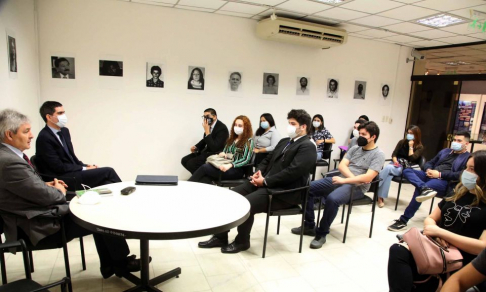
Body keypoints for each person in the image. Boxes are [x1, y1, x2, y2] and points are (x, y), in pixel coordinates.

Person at [0, 109, 144, 279]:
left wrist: (47, 184)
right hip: (37, 225)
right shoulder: (9, 162)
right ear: (9, 135)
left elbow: (25, 187)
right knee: (99, 214)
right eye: (26, 131)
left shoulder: (10, 156)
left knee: (100, 200)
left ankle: (114, 264)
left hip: (37, 211)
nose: (31, 135)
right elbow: (48, 196)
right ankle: (118, 263)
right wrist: (57, 189)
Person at [197, 109, 316, 253]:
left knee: (246, 204)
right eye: (289, 123)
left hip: (284, 192)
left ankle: (242, 241)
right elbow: (267, 159)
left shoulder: (307, 146)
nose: (289, 126)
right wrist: (258, 172)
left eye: (293, 123)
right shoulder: (285, 141)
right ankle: (220, 237)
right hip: (266, 183)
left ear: (303, 127)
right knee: (230, 198)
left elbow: (292, 172)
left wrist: (265, 181)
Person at [388, 150, 486, 292]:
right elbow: (431, 218)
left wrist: (442, 233)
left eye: (472, 169)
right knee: (398, 250)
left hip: (459, 258)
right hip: (437, 247)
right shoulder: (457, 193)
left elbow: (482, 247)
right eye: (466, 168)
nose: (466, 172)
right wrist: (436, 232)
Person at [292, 121, 385, 249]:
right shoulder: (354, 148)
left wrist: (346, 181)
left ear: (373, 137)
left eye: (364, 134)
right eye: (360, 133)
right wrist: (354, 178)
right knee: (307, 188)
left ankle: (321, 233)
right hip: (344, 180)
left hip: (358, 188)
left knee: (332, 199)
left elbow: (368, 177)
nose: (360, 136)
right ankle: (309, 225)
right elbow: (341, 166)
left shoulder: (379, 154)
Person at [388, 132, 470, 232]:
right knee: (406, 170)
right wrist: (428, 170)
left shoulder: (467, 158)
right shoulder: (445, 151)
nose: (455, 142)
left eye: (459, 141)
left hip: (444, 181)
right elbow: (429, 162)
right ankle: (423, 187)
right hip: (429, 174)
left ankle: (403, 220)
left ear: (466, 144)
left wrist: (439, 174)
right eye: (454, 140)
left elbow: (460, 175)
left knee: (420, 190)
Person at [35, 101, 122, 190]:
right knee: (108, 171)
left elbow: (71, 157)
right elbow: (58, 167)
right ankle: (129, 197)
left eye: (64, 112)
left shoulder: (64, 131)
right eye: (60, 113)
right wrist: (83, 168)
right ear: (49, 117)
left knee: (107, 183)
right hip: (61, 178)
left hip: (71, 173)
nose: (63, 116)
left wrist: (86, 166)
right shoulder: (44, 137)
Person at [188, 115, 254, 184]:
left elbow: (245, 159)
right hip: (223, 164)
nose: (237, 127)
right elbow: (225, 152)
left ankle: (186, 186)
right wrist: (223, 154)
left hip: (237, 170)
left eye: (240, 126)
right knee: (205, 178)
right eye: (235, 125)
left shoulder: (248, 141)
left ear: (246, 128)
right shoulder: (231, 140)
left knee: (205, 167)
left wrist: (231, 165)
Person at [377, 125, 424, 208]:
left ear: (416, 135)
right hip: (396, 164)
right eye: (408, 133)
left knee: (387, 168)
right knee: (388, 174)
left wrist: (410, 147)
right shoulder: (401, 142)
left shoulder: (419, 147)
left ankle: (375, 186)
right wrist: (395, 162)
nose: (409, 135)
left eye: (411, 133)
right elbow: (394, 154)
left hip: (406, 167)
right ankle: (380, 198)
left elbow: (412, 158)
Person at [181, 108, 229, 174]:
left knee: (191, 163)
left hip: (216, 153)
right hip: (207, 151)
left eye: (207, 116)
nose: (206, 118)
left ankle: (202, 179)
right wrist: (196, 147)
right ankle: (199, 177)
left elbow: (215, 147)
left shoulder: (222, 128)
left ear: (214, 117)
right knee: (184, 160)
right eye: (204, 117)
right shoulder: (209, 126)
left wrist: (207, 131)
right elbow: (205, 140)